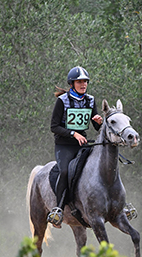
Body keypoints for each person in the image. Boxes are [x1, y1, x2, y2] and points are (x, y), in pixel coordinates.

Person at [47, 66, 103, 227]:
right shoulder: (62, 101)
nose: (83, 84)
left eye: (85, 81)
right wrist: (73, 134)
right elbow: (54, 126)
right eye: (79, 82)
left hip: (82, 144)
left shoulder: (90, 100)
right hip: (64, 145)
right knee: (65, 171)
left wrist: (98, 122)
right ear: (72, 84)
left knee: (101, 167)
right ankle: (58, 209)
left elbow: (96, 126)